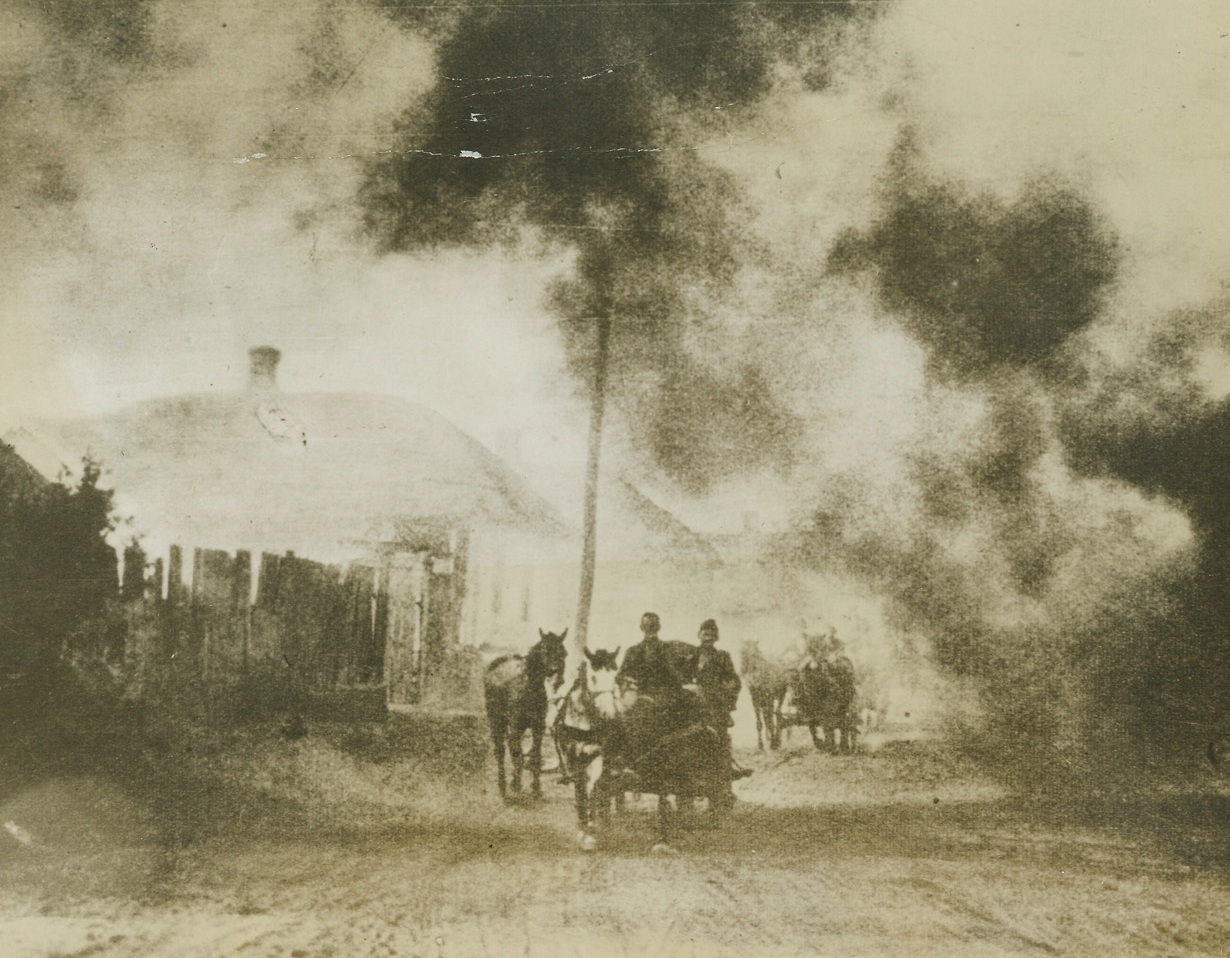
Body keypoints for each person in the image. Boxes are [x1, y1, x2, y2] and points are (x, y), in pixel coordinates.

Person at [686, 619, 752, 801]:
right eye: (705, 634)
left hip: (715, 707)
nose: (708, 638)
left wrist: (725, 699)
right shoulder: (690, 655)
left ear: (716, 637)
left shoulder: (722, 656)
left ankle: (725, 785)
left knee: (720, 744)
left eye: (711, 635)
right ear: (698, 635)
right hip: (692, 706)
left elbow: (733, 681)